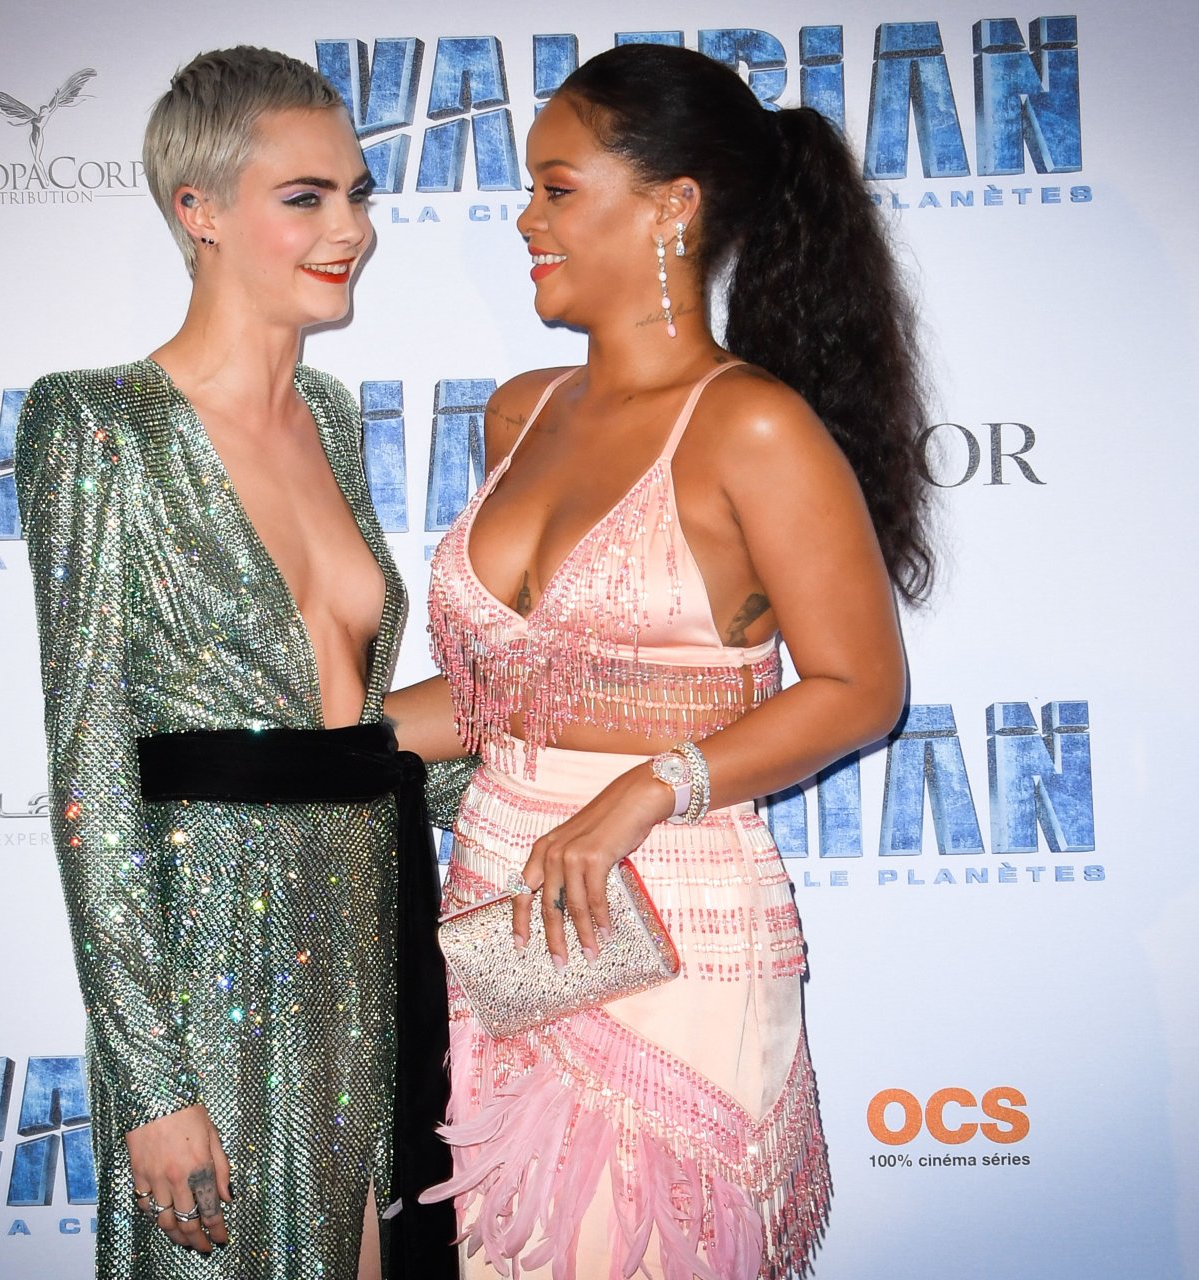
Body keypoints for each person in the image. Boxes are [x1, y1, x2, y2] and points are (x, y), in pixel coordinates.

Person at [392, 42, 935, 1279]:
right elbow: (497, 699)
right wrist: (298, 747)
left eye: (557, 187)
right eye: (529, 189)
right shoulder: (521, 410)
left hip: (672, 917)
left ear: (671, 205)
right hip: (495, 910)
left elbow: (861, 688)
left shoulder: (751, 423)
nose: (525, 219)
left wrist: (645, 789)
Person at [17, 46, 462, 1280]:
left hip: (371, 939)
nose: (351, 229)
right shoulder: (97, 421)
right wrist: (150, 1079)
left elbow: (353, 735)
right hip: (208, 958)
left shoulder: (333, 418)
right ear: (197, 210)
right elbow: (90, 766)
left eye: (357, 194)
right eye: (305, 197)